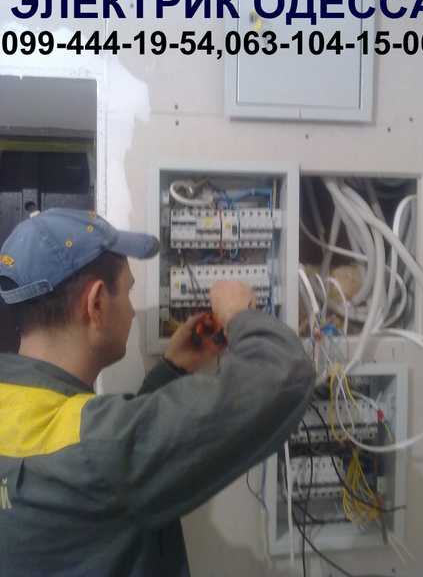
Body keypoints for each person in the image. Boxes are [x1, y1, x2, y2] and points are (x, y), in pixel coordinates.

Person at [0, 208, 314, 576]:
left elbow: (107, 456)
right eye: (128, 291)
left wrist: (172, 370)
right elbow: (285, 374)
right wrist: (238, 315)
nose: (133, 312)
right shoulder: (100, 448)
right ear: (96, 303)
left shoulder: (43, 420)